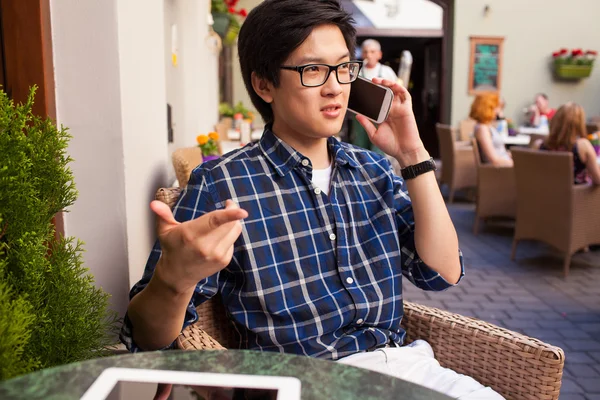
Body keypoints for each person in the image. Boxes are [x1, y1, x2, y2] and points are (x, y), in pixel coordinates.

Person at [121, 1, 502, 398]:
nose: (335, 86)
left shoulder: (373, 171)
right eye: (313, 70)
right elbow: (146, 339)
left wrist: (411, 155)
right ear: (263, 84)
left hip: (408, 369)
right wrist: (173, 280)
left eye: (342, 67)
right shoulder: (223, 185)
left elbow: (441, 273)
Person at [350, 39, 398, 151]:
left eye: (372, 52)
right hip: (359, 116)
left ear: (379, 54)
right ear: (362, 54)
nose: (369, 55)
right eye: (366, 52)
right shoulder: (356, 72)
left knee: (378, 149)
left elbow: (395, 93)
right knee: (359, 148)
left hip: (380, 117)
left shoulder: (387, 71)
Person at [535, 102, 600, 185]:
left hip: (544, 195)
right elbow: (598, 180)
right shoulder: (583, 146)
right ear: (578, 124)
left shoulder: (538, 145)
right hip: (577, 196)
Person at [471, 92, 513, 166]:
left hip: (506, 165)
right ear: (488, 108)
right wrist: (518, 165)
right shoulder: (482, 129)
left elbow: (500, 152)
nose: (498, 111)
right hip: (500, 171)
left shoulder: (487, 126)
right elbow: (494, 160)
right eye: (496, 107)